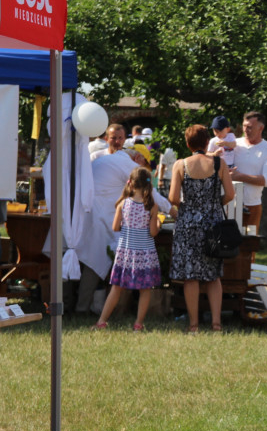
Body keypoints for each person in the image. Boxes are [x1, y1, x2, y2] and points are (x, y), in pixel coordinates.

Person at [75, 144, 173, 316]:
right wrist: (173, 212)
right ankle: (82, 309)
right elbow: (154, 196)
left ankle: (78, 306)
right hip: (100, 220)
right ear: (137, 158)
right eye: (143, 164)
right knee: (94, 263)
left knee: (83, 262)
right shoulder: (128, 164)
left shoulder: (104, 160)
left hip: (87, 216)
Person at [169, 124, 236, 333]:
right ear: (207, 142)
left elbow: (172, 198)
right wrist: (214, 205)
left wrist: (190, 207)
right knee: (213, 275)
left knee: (191, 276)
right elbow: (231, 194)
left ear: (188, 144)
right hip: (213, 223)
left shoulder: (180, 165)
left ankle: (193, 324)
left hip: (188, 223)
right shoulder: (219, 163)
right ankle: (216, 324)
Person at [92, 167, 162, 332]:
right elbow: (153, 232)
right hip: (145, 252)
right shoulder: (152, 206)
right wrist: (157, 222)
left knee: (117, 288)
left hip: (126, 251)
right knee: (145, 290)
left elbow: (115, 227)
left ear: (130, 184)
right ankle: (138, 324)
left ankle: (102, 321)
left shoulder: (123, 203)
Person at [230, 111, 267, 231]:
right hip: (229, 203)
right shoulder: (234, 144)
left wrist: (239, 176)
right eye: (244, 126)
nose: (246, 130)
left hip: (252, 206)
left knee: (248, 246)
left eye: (250, 127)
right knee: (227, 246)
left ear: (261, 128)